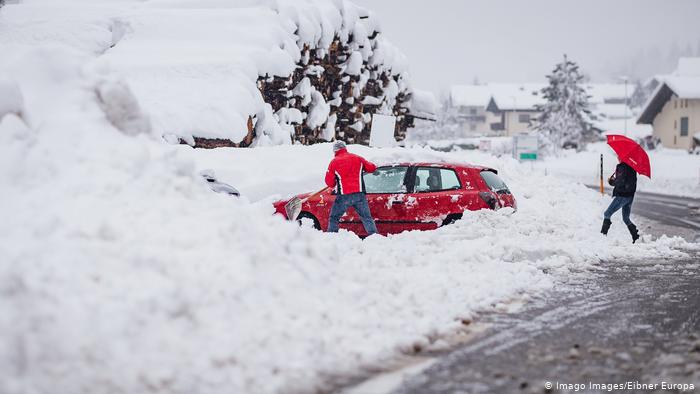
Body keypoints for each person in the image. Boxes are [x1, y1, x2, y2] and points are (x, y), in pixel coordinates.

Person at [324, 141, 378, 235]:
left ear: (335, 151)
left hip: (344, 196)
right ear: (345, 148)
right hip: (359, 194)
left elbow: (330, 183)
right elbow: (372, 168)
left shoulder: (334, 162)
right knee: (366, 218)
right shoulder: (358, 158)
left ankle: (331, 237)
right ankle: (374, 236)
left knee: (334, 217)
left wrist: (336, 180)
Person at [601, 160, 639, 243]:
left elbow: (620, 181)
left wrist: (612, 181)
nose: (618, 156)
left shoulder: (622, 167)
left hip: (622, 196)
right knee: (626, 218)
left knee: (607, 214)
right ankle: (635, 236)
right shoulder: (632, 167)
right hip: (630, 196)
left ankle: (602, 236)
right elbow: (627, 180)